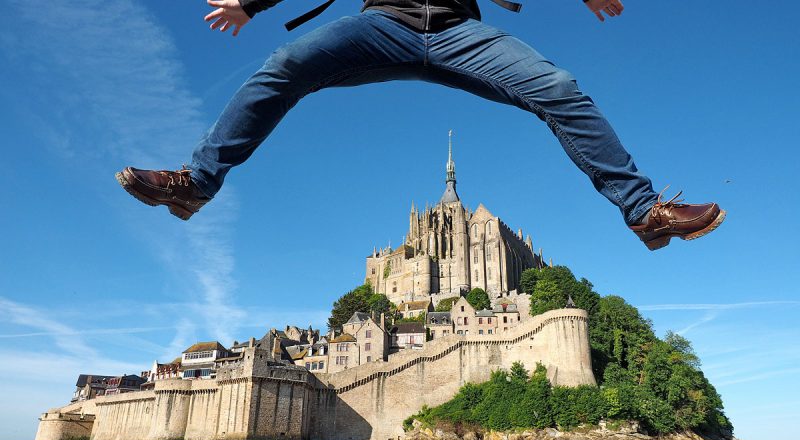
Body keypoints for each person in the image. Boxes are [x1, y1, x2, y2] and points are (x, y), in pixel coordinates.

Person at [115, 0, 725, 251]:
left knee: (558, 88)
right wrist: (252, 2)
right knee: (287, 63)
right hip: (384, 24)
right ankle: (195, 182)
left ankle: (644, 212)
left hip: (458, 34)